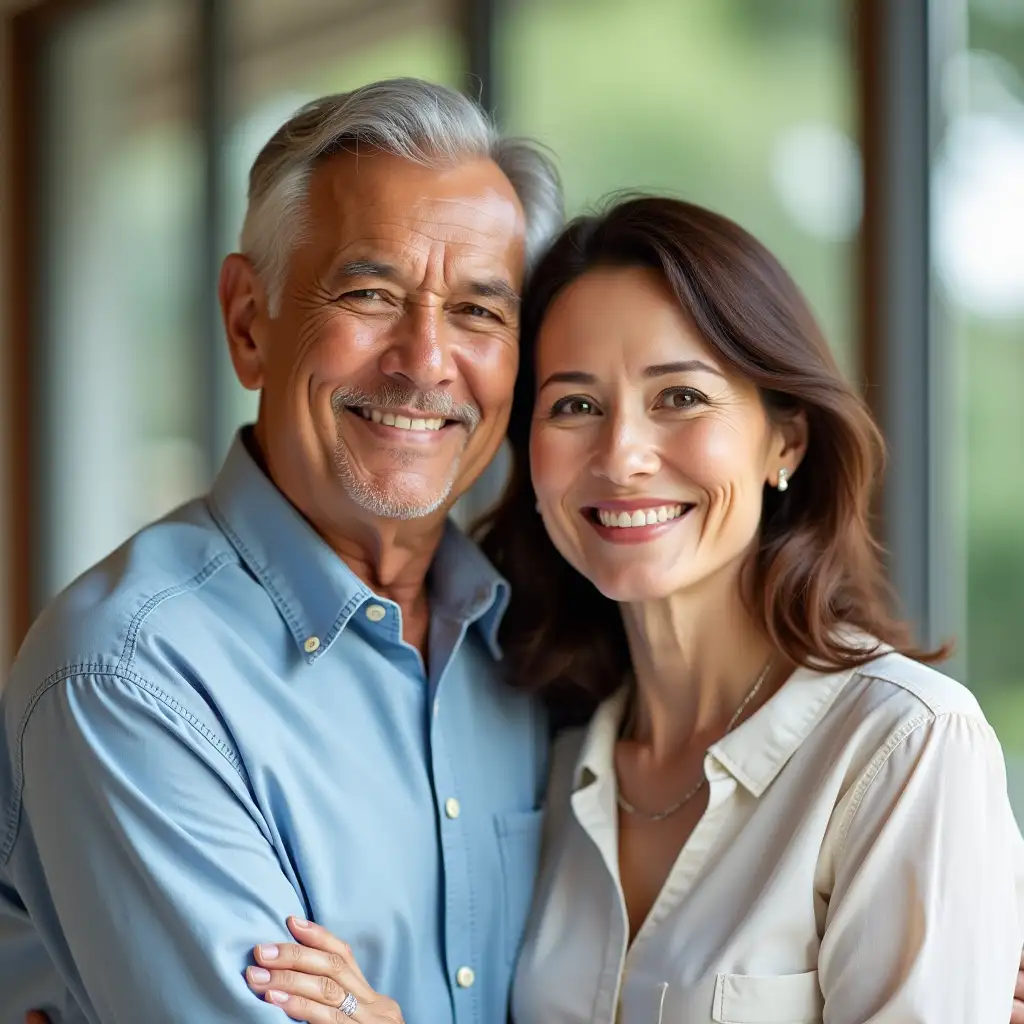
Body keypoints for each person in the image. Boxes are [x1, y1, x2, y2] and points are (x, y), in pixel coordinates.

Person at [237, 196, 1024, 1023]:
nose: (621, 457)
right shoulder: (549, 748)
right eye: (575, 406)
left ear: (784, 440)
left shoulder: (903, 746)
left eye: (680, 397)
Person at [0, 78, 563, 1023]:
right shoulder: (127, 673)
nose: (425, 362)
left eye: (478, 312)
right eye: (371, 292)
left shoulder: (537, 643)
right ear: (249, 321)